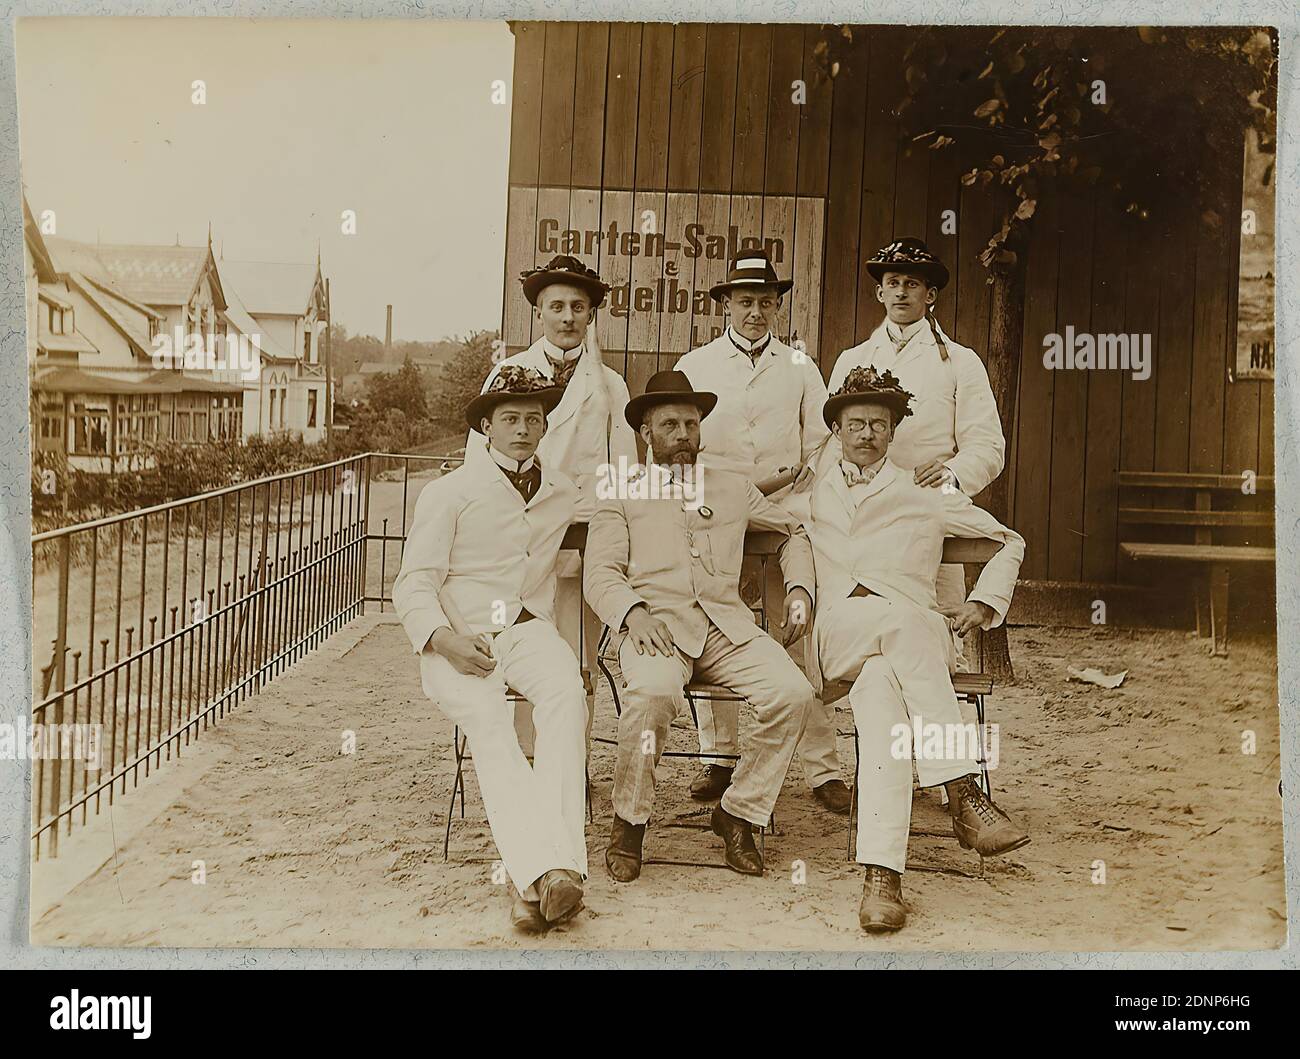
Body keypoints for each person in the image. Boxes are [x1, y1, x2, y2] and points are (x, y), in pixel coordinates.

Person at [805, 365, 1029, 933]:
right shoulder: (809, 498)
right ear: (835, 430)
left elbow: (1009, 539)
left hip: (897, 655)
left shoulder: (924, 494)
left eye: (878, 425)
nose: (865, 435)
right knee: (909, 623)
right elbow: (741, 520)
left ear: (893, 431)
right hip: (843, 635)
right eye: (854, 424)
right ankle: (961, 790)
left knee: (881, 698)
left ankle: (882, 877)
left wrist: (983, 604)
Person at [583, 370, 817, 880]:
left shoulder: (730, 485)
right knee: (650, 696)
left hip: (724, 628)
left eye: (692, 423)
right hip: (656, 628)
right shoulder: (620, 489)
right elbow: (599, 572)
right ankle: (630, 822)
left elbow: (791, 530)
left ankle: (738, 813)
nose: (684, 434)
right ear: (645, 434)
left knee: (794, 694)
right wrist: (630, 612)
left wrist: (799, 589)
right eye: (670, 424)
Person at [395, 366, 588, 934]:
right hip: (458, 636)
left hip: (525, 626)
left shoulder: (560, 490)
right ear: (486, 426)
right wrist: (444, 640)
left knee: (566, 695)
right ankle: (546, 874)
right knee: (489, 719)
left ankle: (544, 876)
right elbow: (413, 582)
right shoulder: (449, 491)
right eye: (511, 419)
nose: (525, 429)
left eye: (534, 418)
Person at [673, 249, 848, 814]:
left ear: (777, 307)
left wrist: (795, 489)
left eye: (766, 303)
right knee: (710, 625)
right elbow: (679, 442)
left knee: (798, 632)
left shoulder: (800, 368)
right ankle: (718, 757)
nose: (755, 312)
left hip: (783, 515)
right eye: (745, 301)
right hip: (714, 515)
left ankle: (822, 767)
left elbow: (824, 439)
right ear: (725, 303)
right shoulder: (696, 364)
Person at [827, 237, 1006, 671]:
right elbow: (832, 441)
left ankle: (936, 732)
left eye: (913, 283)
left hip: (930, 518)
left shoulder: (960, 363)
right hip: (865, 519)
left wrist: (951, 474)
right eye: (893, 282)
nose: (902, 292)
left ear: (931, 295)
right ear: (879, 291)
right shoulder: (853, 360)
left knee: (938, 643)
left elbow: (988, 446)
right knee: (864, 648)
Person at [471, 254, 638, 695]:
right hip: (520, 537)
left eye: (578, 308)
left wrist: (610, 533)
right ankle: (526, 759)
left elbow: (625, 471)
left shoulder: (609, 384)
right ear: (538, 311)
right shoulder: (506, 376)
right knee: (518, 645)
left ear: (590, 314)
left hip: (584, 537)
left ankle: (571, 761)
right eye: (557, 306)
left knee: (577, 657)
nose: (567, 317)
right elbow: (479, 466)